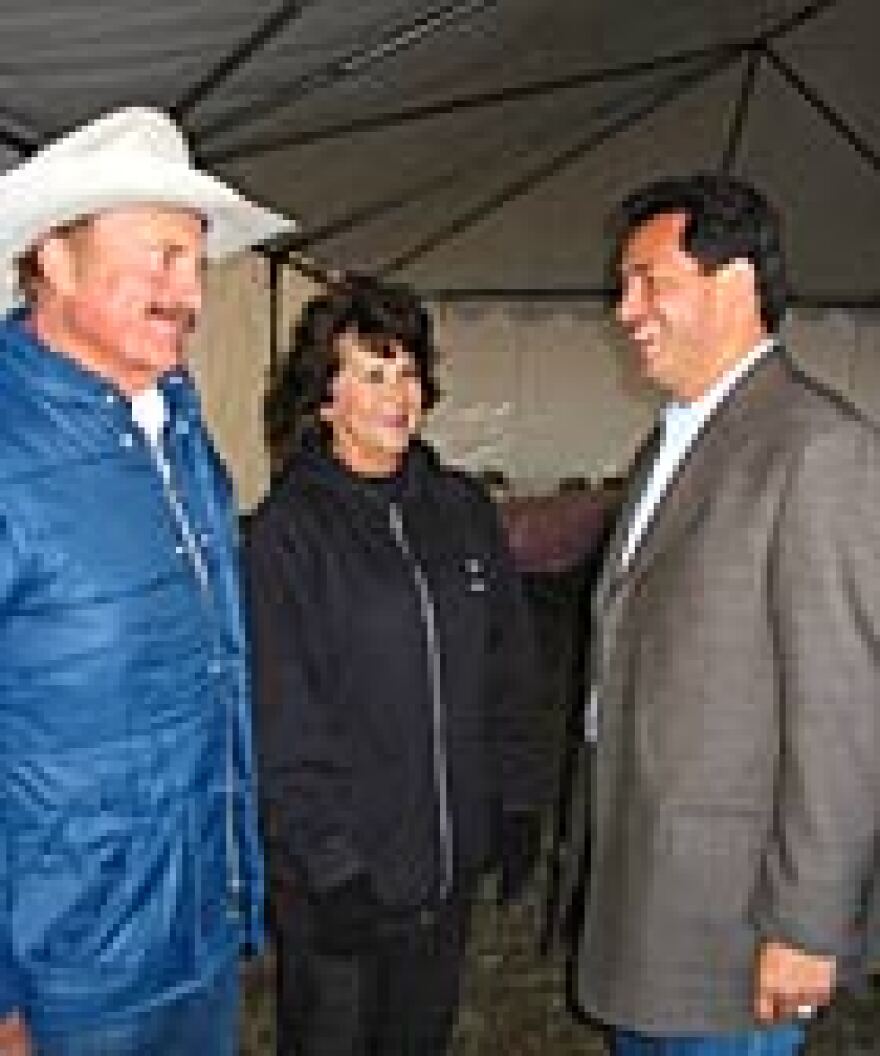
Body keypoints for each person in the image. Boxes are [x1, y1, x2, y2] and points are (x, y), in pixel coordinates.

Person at [0, 107, 292, 1055]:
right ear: (55, 259)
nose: (187, 289)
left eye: (195, 261)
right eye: (159, 255)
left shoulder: (174, 422)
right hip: (66, 977)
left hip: (195, 929)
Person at [572, 172, 880, 1055]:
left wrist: (809, 927)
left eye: (650, 281)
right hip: (651, 904)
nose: (626, 310)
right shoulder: (675, 438)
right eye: (624, 286)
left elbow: (845, 719)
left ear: (735, 282)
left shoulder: (820, 451)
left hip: (736, 931)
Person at [248, 277, 547, 1056]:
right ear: (324, 398)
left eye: (408, 371)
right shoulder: (290, 533)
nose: (398, 395)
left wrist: (515, 800)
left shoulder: (462, 510)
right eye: (372, 374)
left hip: (443, 872)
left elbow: (508, 664)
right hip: (341, 888)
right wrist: (330, 864)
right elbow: (280, 717)